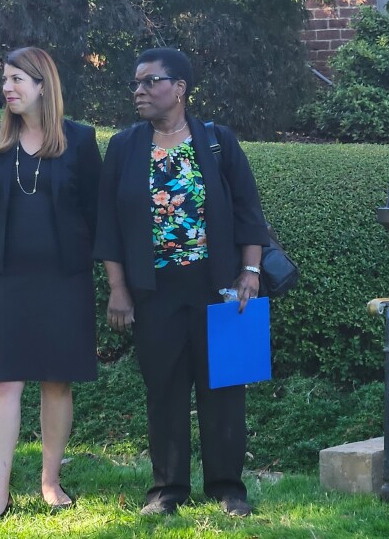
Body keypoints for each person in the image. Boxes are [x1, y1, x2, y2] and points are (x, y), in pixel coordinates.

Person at [93, 47, 271, 517]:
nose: (140, 91)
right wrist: (118, 288)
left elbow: (248, 213)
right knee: (165, 391)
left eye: (150, 82)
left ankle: (228, 489)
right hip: (155, 292)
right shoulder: (125, 146)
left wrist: (250, 273)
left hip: (219, 289)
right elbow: (108, 226)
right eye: (136, 83)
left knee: (225, 390)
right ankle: (167, 491)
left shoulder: (217, 142)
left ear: (179, 88)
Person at [0, 47, 101, 522]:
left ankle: (50, 482)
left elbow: (94, 211)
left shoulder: (81, 140)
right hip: (9, 279)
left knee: (56, 380)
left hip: (64, 279)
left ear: (42, 85)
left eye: (17, 79)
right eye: (5, 80)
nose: (8, 88)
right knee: (4, 384)